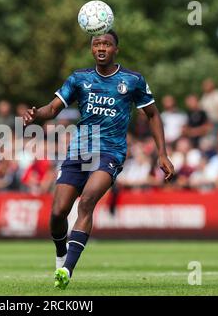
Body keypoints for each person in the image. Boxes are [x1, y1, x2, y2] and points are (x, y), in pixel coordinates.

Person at [22, 30, 175, 289]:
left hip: (111, 153)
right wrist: (37, 114)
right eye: (97, 44)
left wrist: (162, 153)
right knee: (58, 212)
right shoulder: (79, 79)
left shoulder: (132, 80)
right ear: (91, 49)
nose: (101, 47)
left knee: (87, 202)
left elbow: (152, 114)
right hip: (79, 151)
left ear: (116, 49)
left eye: (107, 44)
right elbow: (53, 109)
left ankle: (67, 271)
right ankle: (61, 254)